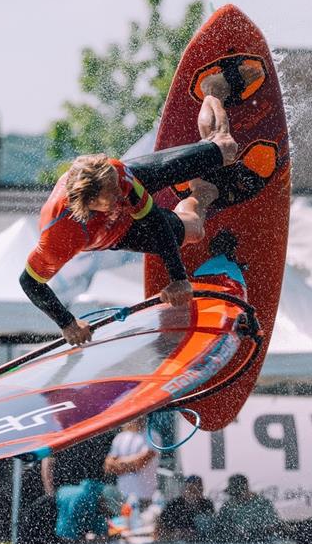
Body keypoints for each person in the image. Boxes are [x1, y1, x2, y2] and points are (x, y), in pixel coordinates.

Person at [19, 79, 240, 347]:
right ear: (90, 202)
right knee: (194, 230)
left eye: (117, 190)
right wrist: (67, 322)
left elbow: (154, 221)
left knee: (226, 150)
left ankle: (213, 91)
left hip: (131, 177)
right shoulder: (61, 235)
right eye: (111, 197)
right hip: (118, 234)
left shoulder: (118, 177)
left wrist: (178, 278)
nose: (120, 197)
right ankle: (202, 193)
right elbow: (30, 282)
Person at [104, 417, 159, 544]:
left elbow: (142, 462)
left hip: (145, 497)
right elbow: (108, 466)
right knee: (127, 538)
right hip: (124, 499)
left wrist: (120, 463)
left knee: (148, 538)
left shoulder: (152, 436)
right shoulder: (120, 438)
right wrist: (129, 464)